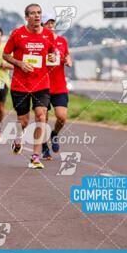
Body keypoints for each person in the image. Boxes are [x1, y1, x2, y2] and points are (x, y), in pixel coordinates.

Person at [2, 3, 56, 169]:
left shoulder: (48, 35)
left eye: (39, 13)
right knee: (23, 121)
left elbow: (51, 53)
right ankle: (19, 136)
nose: (37, 16)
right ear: (26, 17)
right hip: (20, 85)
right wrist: (19, 63)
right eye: (32, 13)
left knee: (41, 116)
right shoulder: (18, 34)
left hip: (41, 84)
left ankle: (35, 157)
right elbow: (5, 54)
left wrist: (52, 58)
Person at [41, 14, 73, 160]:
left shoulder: (62, 41)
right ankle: (43, 146)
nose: (51, 25)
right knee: (43, 119)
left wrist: (68, 60)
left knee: (61, 117)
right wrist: (46, 58)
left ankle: (54, 134)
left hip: (59, 86)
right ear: (42, 25)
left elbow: (67, 55)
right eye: (47, 23)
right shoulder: (38, 42)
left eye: (52, 22)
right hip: (42, 86)